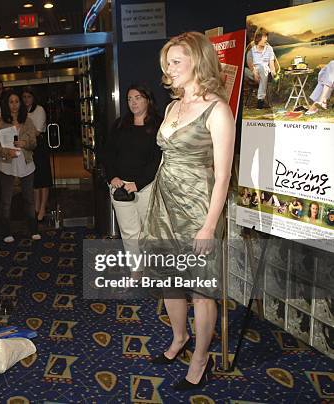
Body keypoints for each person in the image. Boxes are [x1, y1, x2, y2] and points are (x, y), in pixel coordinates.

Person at [140, 32, 235, 390]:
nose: (169, 69)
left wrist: (209, 227)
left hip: (198, 210)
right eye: (167, 63)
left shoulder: (217, 110)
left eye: (176, 62)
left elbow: (223, 174)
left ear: (198, 61)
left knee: (200, 289)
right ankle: (179, 339)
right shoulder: (171, 105)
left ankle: (201, 358)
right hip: (164, 203)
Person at [103, 84, 162, 254]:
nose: (133, 102)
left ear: (148, 100)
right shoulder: (120, 124)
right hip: (120, 187)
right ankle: (136, 271)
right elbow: (108, 154)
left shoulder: (159, 125)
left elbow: (157, 160)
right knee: (129, 232)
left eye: (138, 98)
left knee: (150, 232)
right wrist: (112, 177)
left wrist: (138, 184)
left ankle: (152, 270)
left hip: (147, 187)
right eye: (129, 99)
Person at [0, 90, 40, 243]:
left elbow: (34, 143)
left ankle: (33, 230)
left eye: (16, 101)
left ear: (20, 103)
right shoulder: (0, 122)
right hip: (7, 165)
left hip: (26, 164)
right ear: (7, 104)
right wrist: (6, 152)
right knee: (6, 201)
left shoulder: (28, 121)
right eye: (11, 102)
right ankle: (6, 232)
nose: (14, 105)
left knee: (29, 199)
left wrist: (26, 143)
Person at [22, 88, 51, 222]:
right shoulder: (23, 112)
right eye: (24, 97)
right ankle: (36, 207)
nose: (26, 100)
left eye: (29, 97)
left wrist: (25, 134)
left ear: (33, 98)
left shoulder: (39, 110)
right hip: (28, 146)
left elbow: (37, 131)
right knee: (34, 178)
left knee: (43, 178)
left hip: (39, 145)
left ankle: (43, 207)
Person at [245, 27, 279, 109]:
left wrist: (274, 73)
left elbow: (271, 64)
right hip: (253, 74)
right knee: (244, 71)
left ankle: (260, 99)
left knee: (262, 67)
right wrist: (254, 71)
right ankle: (261, 99)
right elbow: (250, 64)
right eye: (263, 37)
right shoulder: (252, 50)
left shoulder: (269, 49)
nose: (266, 39)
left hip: (265, 72)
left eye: (266, 37)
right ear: (257, 38)